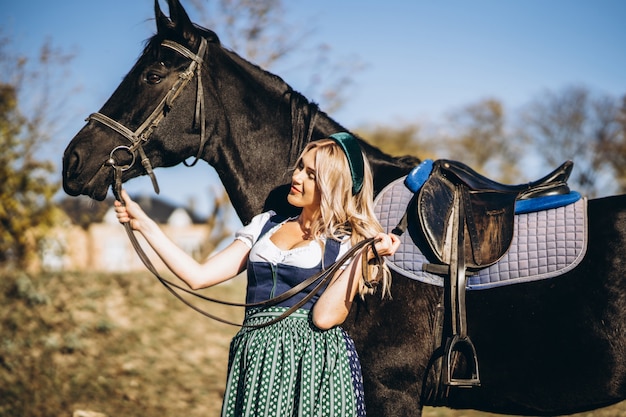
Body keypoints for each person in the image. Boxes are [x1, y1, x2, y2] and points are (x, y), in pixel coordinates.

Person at [114, 132, 401, 417]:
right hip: (256, 355)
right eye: (300, 166)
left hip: (313, 365)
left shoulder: (348, 244)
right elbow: (198, 276)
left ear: (333, 185)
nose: (297, 177)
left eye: (311, 174)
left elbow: (324, 317)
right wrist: (144, 224)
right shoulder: (265, 225)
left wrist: (363, 255)